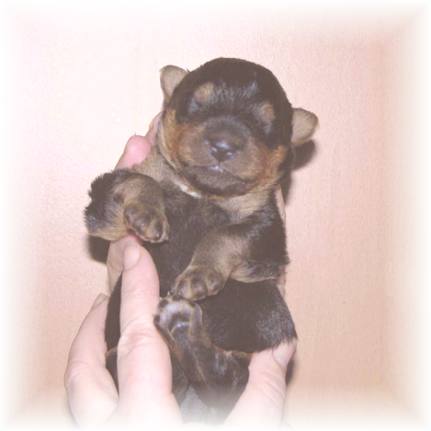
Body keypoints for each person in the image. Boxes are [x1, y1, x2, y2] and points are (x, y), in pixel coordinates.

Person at [64, 116, 297, 427]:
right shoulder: (157, 172)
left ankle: (207, 364)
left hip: (222, 332)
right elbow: (99, 221)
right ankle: (199, 363)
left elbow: (266, 260)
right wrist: (135, 196)